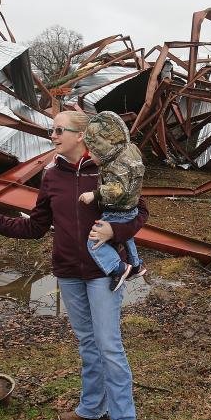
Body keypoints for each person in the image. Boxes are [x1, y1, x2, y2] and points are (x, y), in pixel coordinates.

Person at [0, 110, 145, 420]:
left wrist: (115, 231)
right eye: (52, 130)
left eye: (58, 130)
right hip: (68, 271)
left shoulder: (109, 168)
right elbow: (35, 227)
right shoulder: (51, 176)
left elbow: (139, 214)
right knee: (87, 342)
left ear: (81, 135)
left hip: (102, 272)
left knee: (109, 344)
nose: (52, 136)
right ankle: (93, 407)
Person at [78, 111, 146, 291]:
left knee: (94, 242)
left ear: (103, 149)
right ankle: (136, 265)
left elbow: (117, 189)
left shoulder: (117, 165)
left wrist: (95, 194)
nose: (90, 156)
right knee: (128, 238)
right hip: (131, 208)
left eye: (92, 151)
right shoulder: (129, 151)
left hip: (117, 210)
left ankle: (118, 268)